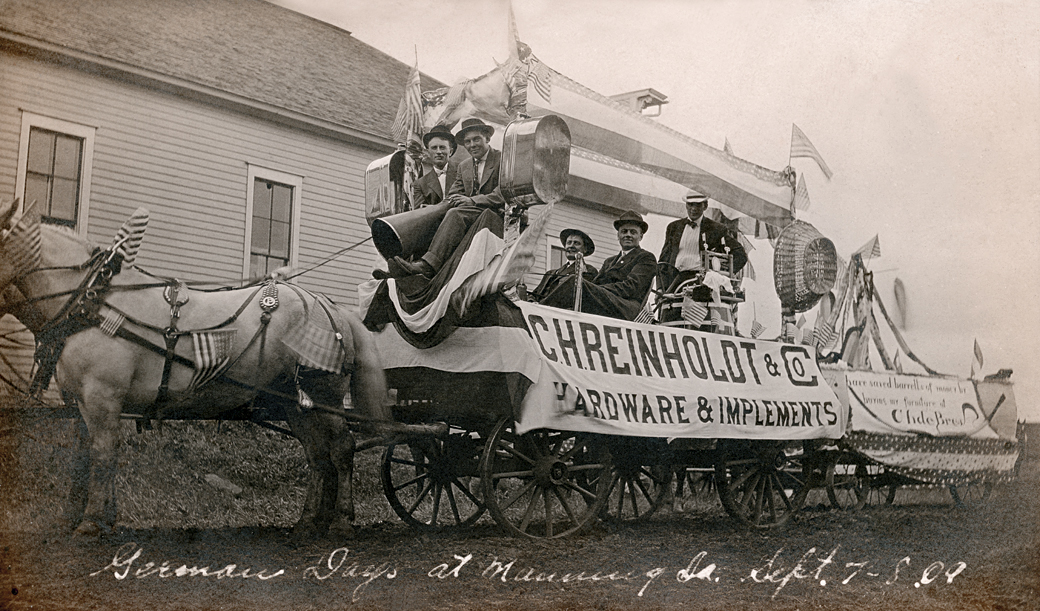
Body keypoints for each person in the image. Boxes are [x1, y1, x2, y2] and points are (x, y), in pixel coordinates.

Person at [391, 118, 505, 278]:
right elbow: (452, 197)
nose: (472, 145)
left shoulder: (503, 159)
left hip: (494, 216)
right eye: (468, 141)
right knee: (439, 215)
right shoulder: (465, 166)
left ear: (487, 138)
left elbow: (504, 192)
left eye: (476, 139)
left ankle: (428, 265)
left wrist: (472, 201)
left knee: (455, 214)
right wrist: (432, 211)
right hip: (472, 217)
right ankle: (400, 260)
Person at [539, 211, 657, 320]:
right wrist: (594, 289)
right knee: (576, 287)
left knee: (574, 282)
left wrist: (598, 290)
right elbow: (596, 283)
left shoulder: (645, 257)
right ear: (618, 235)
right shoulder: (609, 261)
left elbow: (631, 287)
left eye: (633, 232)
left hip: (626, 307)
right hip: (607, 302)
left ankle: (539, 311)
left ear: (641, 236)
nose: (628, 235)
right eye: (624, 231)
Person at [657, 190, 747, 295]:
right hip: (673, 283)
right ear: (686, 205)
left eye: (698, 205)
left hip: (700, 284)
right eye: (690, 204)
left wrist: (722, 275)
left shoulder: (716, 229)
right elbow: (663, 260)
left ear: (705, 206)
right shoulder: (673, 227)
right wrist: (660, 288)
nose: (693, 209)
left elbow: (740, 255)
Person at [528, 228, 598, 303]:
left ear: (585, 249)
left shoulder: (588, 271)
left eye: (576, 243)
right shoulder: (551, 273)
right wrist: (531, 301)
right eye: (569, 243)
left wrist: (540, 304)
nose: (571, 246)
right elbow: (534, 295)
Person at [410, 125, 458, 208]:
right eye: (434, 148)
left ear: (450, 151)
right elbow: (420, 212)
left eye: (442, 147)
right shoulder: (420, 184)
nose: (438, 152)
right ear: (428, 153)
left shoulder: (462, 172)